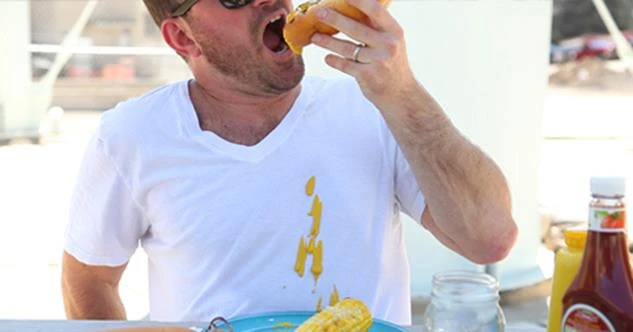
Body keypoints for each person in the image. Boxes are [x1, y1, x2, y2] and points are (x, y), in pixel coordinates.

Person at [61, 0, 518, 327]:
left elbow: (489, 238)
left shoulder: (372, 107)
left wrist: (402, 93)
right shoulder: (131, 135)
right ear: (183, 37)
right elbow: (89, 278)